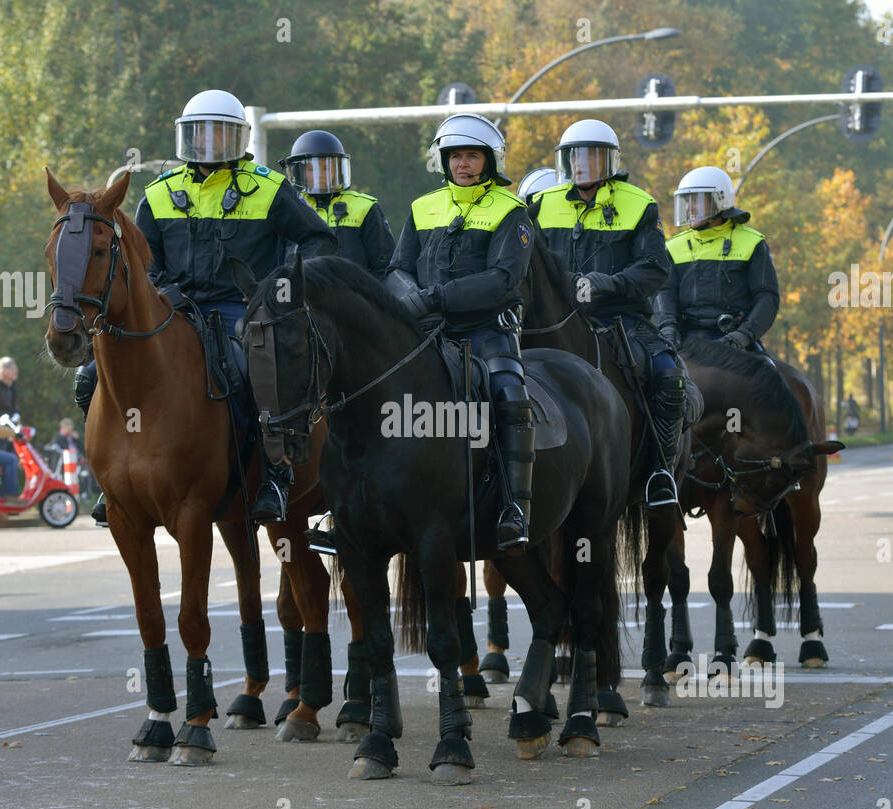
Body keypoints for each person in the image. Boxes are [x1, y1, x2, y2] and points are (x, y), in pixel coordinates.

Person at [73, 88, 336, 526]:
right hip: (174, 310)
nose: (209, 143)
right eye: (201, 134)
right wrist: (161, 292)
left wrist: (277, 287)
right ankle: (111, 480)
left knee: (262, 370)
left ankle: (275, 477)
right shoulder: (159, 193)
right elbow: (142, 260)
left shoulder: (270, 188)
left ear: (238, 139)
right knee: (90, 378)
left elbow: (319, 241)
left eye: (220, 134)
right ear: (185, 138)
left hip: (243, 309)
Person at [389, 112, 535, 550]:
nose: (463, 164)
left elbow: (503, 279)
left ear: (489, 161)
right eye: (455, 156)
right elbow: (397, 268)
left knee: (510, 396)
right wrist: (411, 296)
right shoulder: (421, 208)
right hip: (426, 334)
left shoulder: (513, 212)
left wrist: (436, 297)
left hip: (486, 332)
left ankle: (515, 506)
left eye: (472, 156)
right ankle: (351, 505)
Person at [531, 119, 679, 507]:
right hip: (556, 321)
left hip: (621, 321)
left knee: (668, 374)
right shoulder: (542, 204)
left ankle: (659, 471)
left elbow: (655, 268)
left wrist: (603, 284)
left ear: (610, 161)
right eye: (575, 157)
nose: (582, 164)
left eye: (592, 156)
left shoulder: (639, 204)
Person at [653, 166, 780, 359]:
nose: (689, 208)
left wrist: (743, 336)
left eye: (696, 200)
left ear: (719, 200)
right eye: (687, 201)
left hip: (736, 340)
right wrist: (668, 329)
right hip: (685, 340)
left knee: (772, 379)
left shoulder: (753, 243)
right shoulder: (673, 247)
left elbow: (767, 298)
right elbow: (664, 293)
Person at [281, 130, 394, 279]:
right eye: (310, 169)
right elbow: (276, 263)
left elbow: (384, 267)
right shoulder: (289, 207)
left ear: (339, 169)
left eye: (326, 168)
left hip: (354, 297)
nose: (320, 174)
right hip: (302, 297)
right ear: (298, 171)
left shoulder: (365, 207)